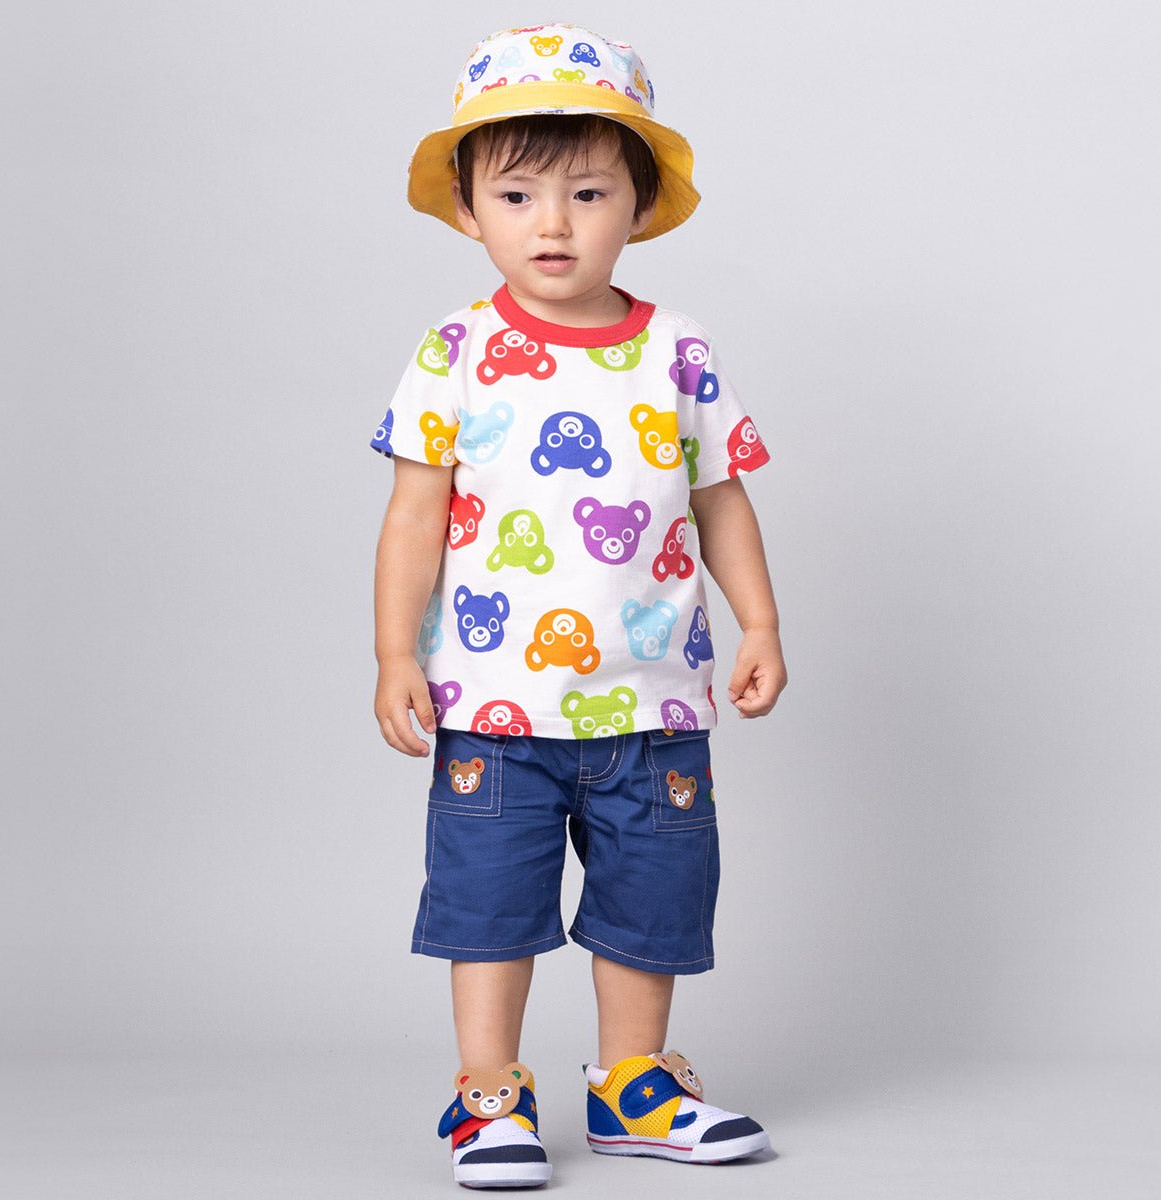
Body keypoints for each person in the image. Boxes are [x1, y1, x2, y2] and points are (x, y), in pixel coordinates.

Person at [370, 23, 787, 1189]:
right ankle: (489, 1096)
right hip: (495, 710)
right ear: (468, 210)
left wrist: (759, 622)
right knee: (489, 905)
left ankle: (634, 1087)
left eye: (588, 193)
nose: (552, 224)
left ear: (639, 206)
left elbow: (722, 500)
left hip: (655, 709)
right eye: (517, 195)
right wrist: (395, 653)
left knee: (651, 902)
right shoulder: (456, 350)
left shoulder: (680, 353)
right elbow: (412, 517)